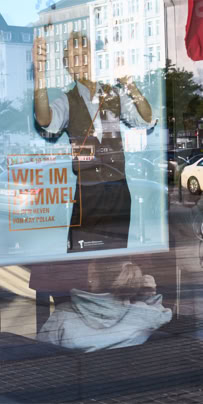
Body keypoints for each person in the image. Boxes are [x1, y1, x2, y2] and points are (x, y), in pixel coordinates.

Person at [33, 31, 154, 253]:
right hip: (88, 191)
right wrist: (39, 74)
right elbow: (44, 119)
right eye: (74, 56)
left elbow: (146, 118)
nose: (80, 61)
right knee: (82, 256)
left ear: (93, 59)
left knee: (115, 255)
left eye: (85, 54)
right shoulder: (67, 100)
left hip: (118, 189)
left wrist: (129, 83)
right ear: (67, 66)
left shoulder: (113, 94)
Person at [37, 260, 172, 352]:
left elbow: (42, 353)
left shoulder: (64, 315)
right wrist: (148, 296)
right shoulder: (144, 315)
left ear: (93, 278)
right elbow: (161, 315)